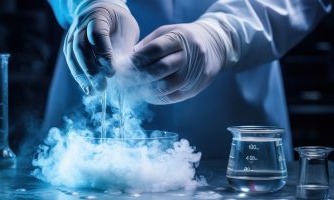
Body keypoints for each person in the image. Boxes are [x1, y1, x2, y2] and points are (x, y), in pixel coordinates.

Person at [43, 0, 332, 160]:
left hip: (236, 76)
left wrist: (224, 35)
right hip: (100, 46)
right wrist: (88, 4)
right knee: (84, 174)